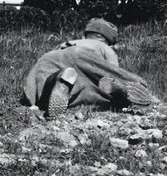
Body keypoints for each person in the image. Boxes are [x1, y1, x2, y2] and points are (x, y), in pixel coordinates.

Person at [20, 18, 157, 120]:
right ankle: (144, 91)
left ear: (84, 36)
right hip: (82, 55)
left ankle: (59, 79)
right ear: (109, 42)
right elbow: (111, 73)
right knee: (109, 85)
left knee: (48, 90)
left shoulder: (66, 43)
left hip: (47, 59)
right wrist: (123, 84)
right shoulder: (104, 48)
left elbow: (46, 66)